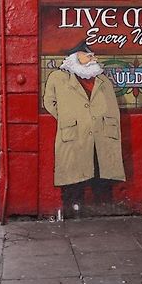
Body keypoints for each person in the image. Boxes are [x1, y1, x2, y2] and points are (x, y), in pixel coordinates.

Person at [43, 42, 125, 218]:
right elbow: (49, 102)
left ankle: (102, 214)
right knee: (73, 179)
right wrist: (69, 118)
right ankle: (73, 214)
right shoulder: (58, 77)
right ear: (75, 56)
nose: (93, 58)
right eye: (88, 55)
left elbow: (111, 105)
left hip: (101, 135)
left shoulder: (102, 80)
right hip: (74, 135)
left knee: (102, 176)